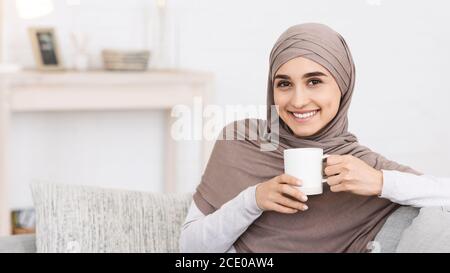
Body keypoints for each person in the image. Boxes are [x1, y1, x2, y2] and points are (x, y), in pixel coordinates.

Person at [179, 23, 449, 253]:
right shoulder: (245, 140)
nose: (298, 101)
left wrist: (380, 182)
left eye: (314, 82)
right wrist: (253, 200)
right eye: (284, 84)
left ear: (342, 86)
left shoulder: (357, 164)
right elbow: (189, 248)